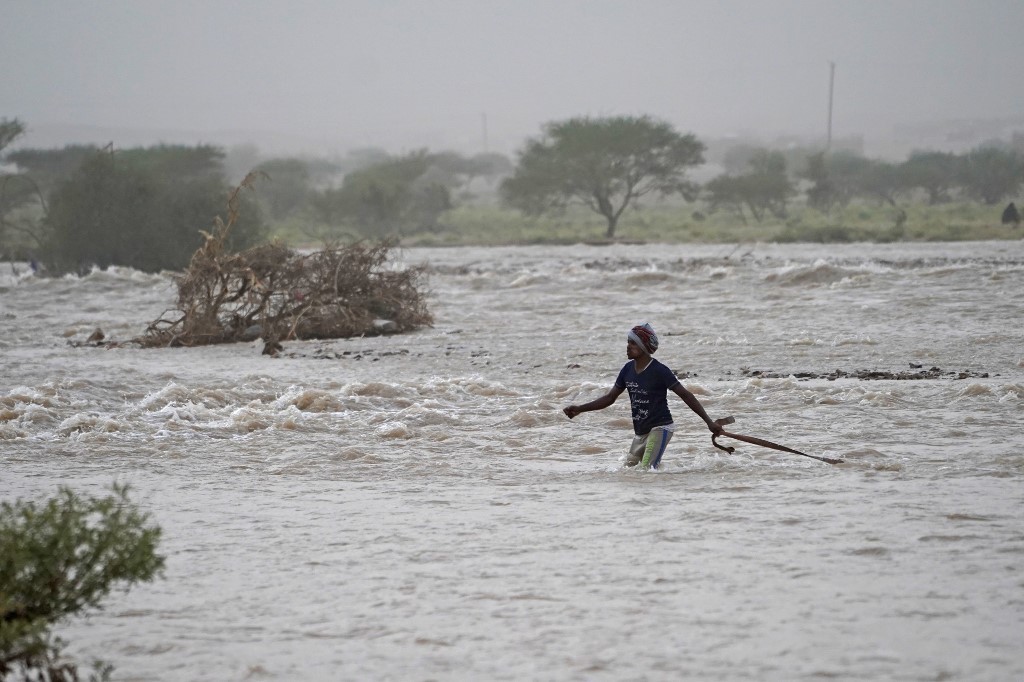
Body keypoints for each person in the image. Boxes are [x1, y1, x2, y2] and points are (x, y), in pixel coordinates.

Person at [563, 322, 723, 469]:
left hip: (661, 428)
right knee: (628, 470)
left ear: (644, 346)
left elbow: (686, 396)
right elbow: (609, 398)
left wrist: (709, 422)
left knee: (647, 469)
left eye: (633, 343)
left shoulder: (659, 370)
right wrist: (580, 409)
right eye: (628, 342)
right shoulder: (627, 370)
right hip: (640, 432)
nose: (628, 346)